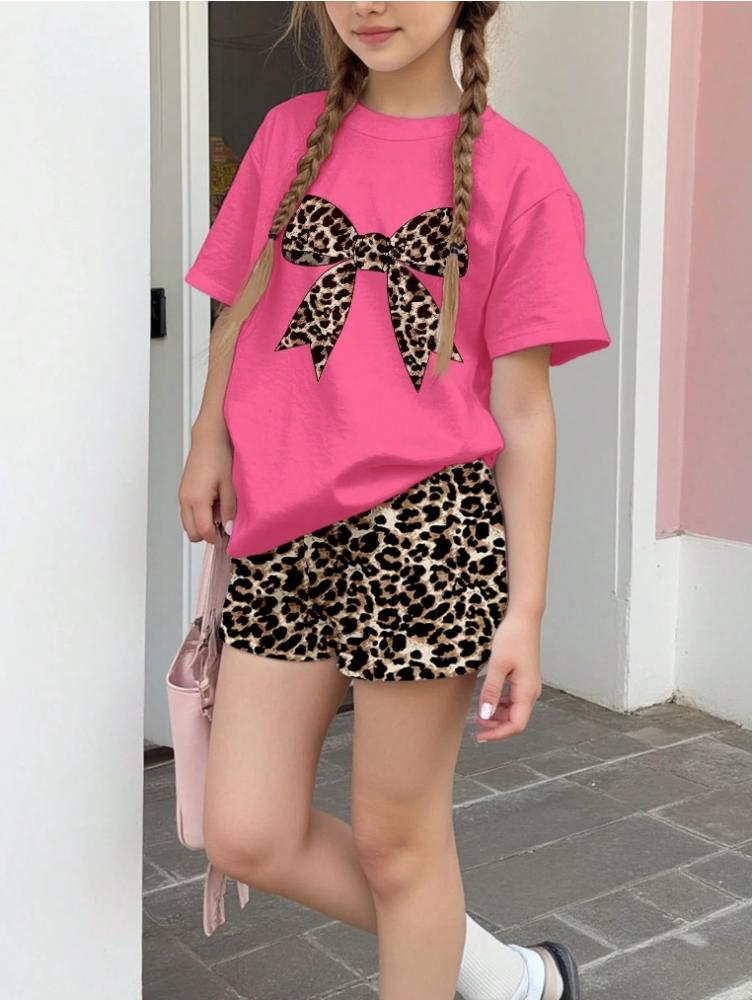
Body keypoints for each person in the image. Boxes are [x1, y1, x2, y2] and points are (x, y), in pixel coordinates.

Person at [178, 3, 611, 998]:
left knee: (396, 841)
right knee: (246, 829)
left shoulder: (520, 176)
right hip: (284, 527)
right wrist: (208, 438)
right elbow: (239, 305)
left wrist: (526, 611)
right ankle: (506, 976)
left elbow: (524, 412)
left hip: (430, 536)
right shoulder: (288, 135)